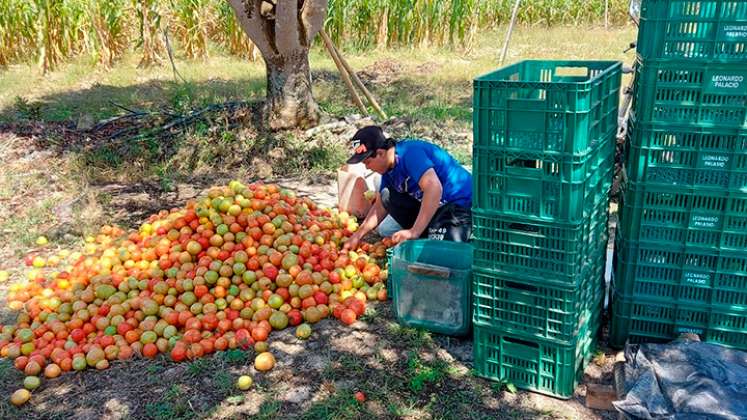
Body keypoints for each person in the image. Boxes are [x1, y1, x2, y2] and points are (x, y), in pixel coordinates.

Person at [343, 125, 472, 250]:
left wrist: (414, 231)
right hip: (435, 207)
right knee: (386, 195)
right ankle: (427, 233)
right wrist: (357, 235)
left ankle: (433, 234)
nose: (367, 167)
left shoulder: (410, 153)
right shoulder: (388, 169)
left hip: (458, 204)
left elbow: (433, 188)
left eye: (367, 162)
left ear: (381, 153)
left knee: (440, 255)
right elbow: (380, 205)